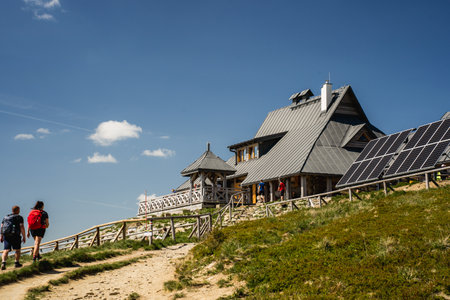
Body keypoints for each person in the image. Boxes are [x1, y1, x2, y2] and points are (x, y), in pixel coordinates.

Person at [1, 205, 26, 270]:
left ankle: (3, 263)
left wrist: (1, 235)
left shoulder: (6, 217)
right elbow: (22, 227)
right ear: (17, 210)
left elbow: (2, 227)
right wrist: (24, 236)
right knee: (17, 249)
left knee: (6, 250)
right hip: (16, 235)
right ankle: (16, 263)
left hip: (6, 235)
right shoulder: (19, 217)